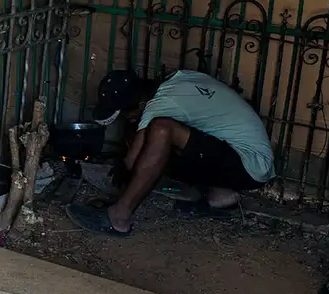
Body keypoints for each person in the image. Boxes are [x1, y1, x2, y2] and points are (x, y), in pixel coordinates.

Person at [69, 69, 274, 236]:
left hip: (250, 164)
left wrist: (117, 178)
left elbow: (132, 162)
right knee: (159, 146)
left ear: (138, 104)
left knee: (161, 130)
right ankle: (220, 195)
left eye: (127, 115)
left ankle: (118, 218)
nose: (129, 119)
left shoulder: (159, 105)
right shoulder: (179, 78)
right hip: (249, 161)